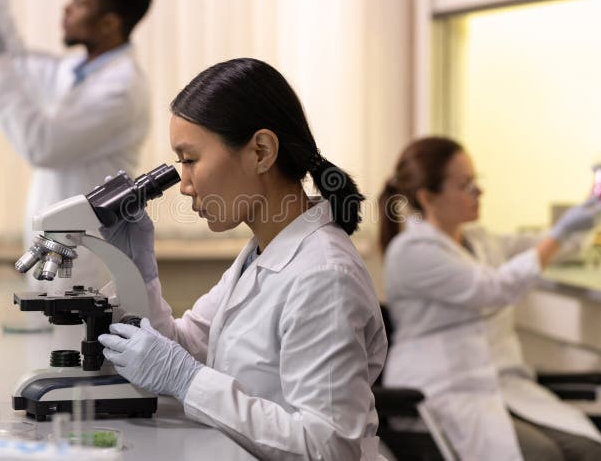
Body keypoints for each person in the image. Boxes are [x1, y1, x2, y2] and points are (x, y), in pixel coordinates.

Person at [97, 58, 388, 460]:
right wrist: (137, 270)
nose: (183, 185)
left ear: (261, 151)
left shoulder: (324, 276)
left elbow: (331, 447)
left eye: (190, 159)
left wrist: (187, 381)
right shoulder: (261, 253)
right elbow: (183, 347)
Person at [378, 136, 601, 461]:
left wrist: (597, 199)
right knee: (541, 455)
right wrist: (558, 234)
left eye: (477, 181)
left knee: (593, 450)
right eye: (466, 185)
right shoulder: (411, 252)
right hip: (441, 393)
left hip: (498, 385)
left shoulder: (481, 240)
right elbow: (492, 289)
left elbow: (558, 247)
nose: (479, 192)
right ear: (428, 197)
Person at [0, 0, 152, 292]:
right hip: (52, 254)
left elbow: (42, 145)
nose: (66, 8)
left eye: (80, 2)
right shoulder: (78, 70)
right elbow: (20, 65)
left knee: (72, 341)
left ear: (110, 23)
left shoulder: (121, 90)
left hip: (84, 265)